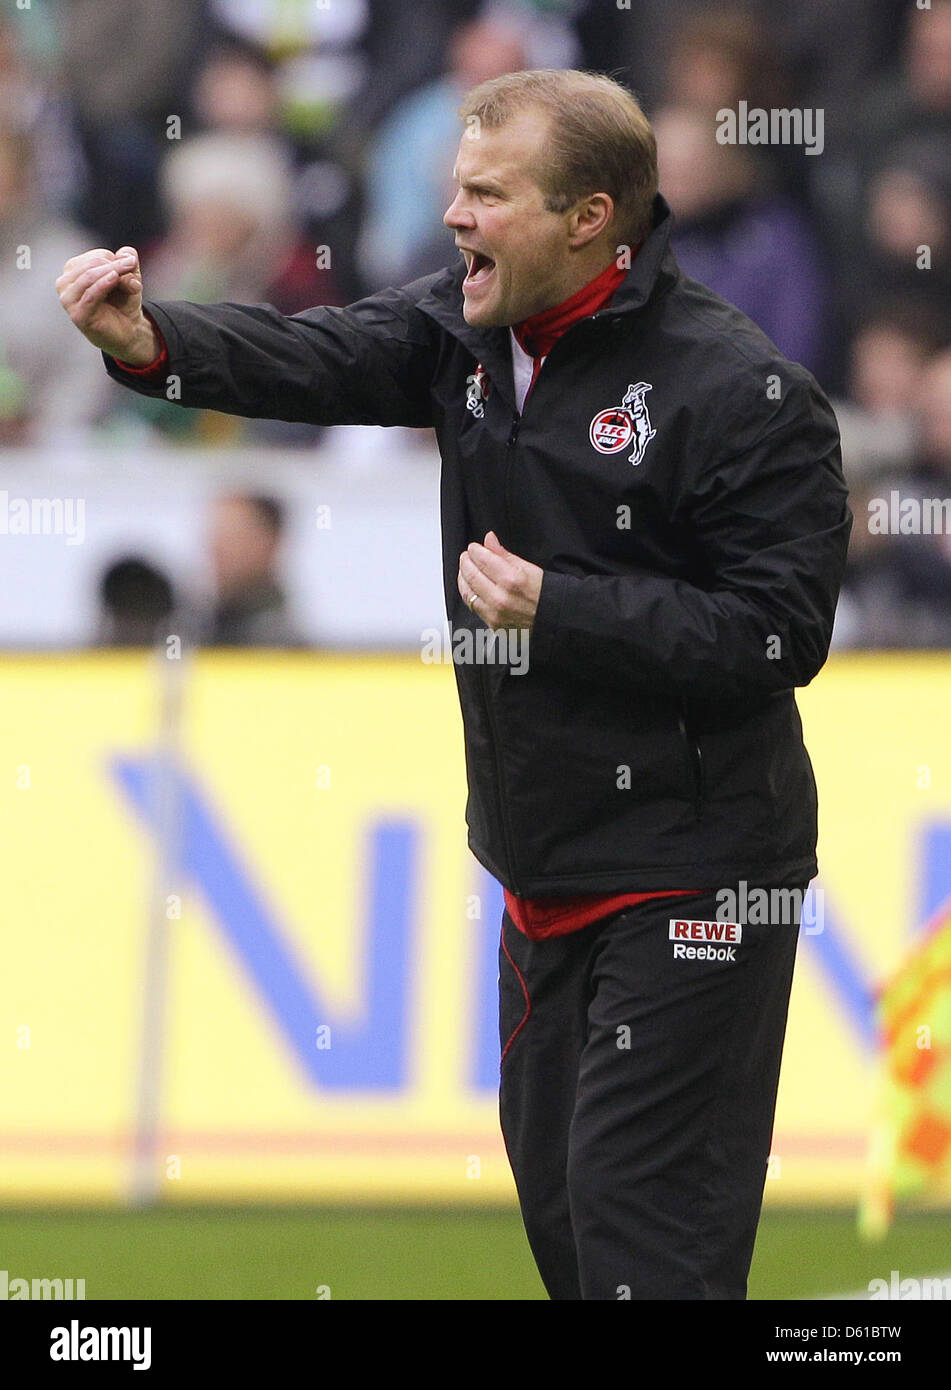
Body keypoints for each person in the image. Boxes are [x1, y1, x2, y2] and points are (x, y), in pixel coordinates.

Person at [56, 68, 852, 1300]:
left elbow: (777, 633)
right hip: (542, 868)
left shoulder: (742, 394)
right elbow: (319, 353)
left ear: (589, 217)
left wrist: (563, 608)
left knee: (645, 1243)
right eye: (453, 191)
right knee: (575, 1239)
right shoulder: (465, 334)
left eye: (486, 194)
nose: (453, 217)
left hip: (701, 871)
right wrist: (153, 344)